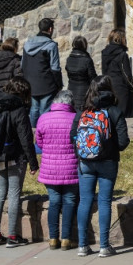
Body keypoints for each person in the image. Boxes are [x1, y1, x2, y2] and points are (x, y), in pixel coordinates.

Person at [72, 75, 130, 257]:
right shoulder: (114, 111)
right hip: (108, 162)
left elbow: (72, 135)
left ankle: (82, 245)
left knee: (85, 201)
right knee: (104, 202)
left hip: (85, 162)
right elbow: (122, 143)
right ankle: (104, 246)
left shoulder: (84, 111)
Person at [0, 76, 39, 247]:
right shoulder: (19, 109)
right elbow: (26, 138)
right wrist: (33, 162)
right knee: (14, 194)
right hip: (16, 157)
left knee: (0, 194)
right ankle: (13, 236)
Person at [35, 90, 79, 250]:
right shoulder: (75, 119)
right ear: (70, 103)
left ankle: (53, 238)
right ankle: (66, 239)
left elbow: (39, 143)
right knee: (69, 202)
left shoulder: (43, 118)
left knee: (54, 202)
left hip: (50, 169)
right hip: (71, 168)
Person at [22, 18, 63, 127]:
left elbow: (23, 65)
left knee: (34, 110)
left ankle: (33, 134)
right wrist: (59, 84)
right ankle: (43, 135)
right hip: (47, 85)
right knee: (45, 111)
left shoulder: (27, 44)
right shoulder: (51, 45)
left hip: (30, 83)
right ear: (50, 29)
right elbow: (55, 68)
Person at [101, 28, 133, 118]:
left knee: (110, 115)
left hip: (109, 85)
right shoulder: (122, 54)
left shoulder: (104, 53)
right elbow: (126, 74)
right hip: (121, 87)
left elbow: (104, 70)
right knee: (120, 117)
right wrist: (132, 87)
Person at [65, 35, 97, 112]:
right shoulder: (87, 59)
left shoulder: (69, 58)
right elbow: (92, 76)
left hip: (71, 88)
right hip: (84, 90)